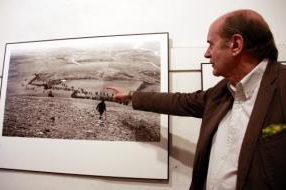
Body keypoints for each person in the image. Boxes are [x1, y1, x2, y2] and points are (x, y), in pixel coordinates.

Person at [108, 9, 286, 190]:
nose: (207, 54)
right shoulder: (222, 91)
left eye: (211, 44)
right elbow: (180, 102)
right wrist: (132, 96)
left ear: (236, 45)